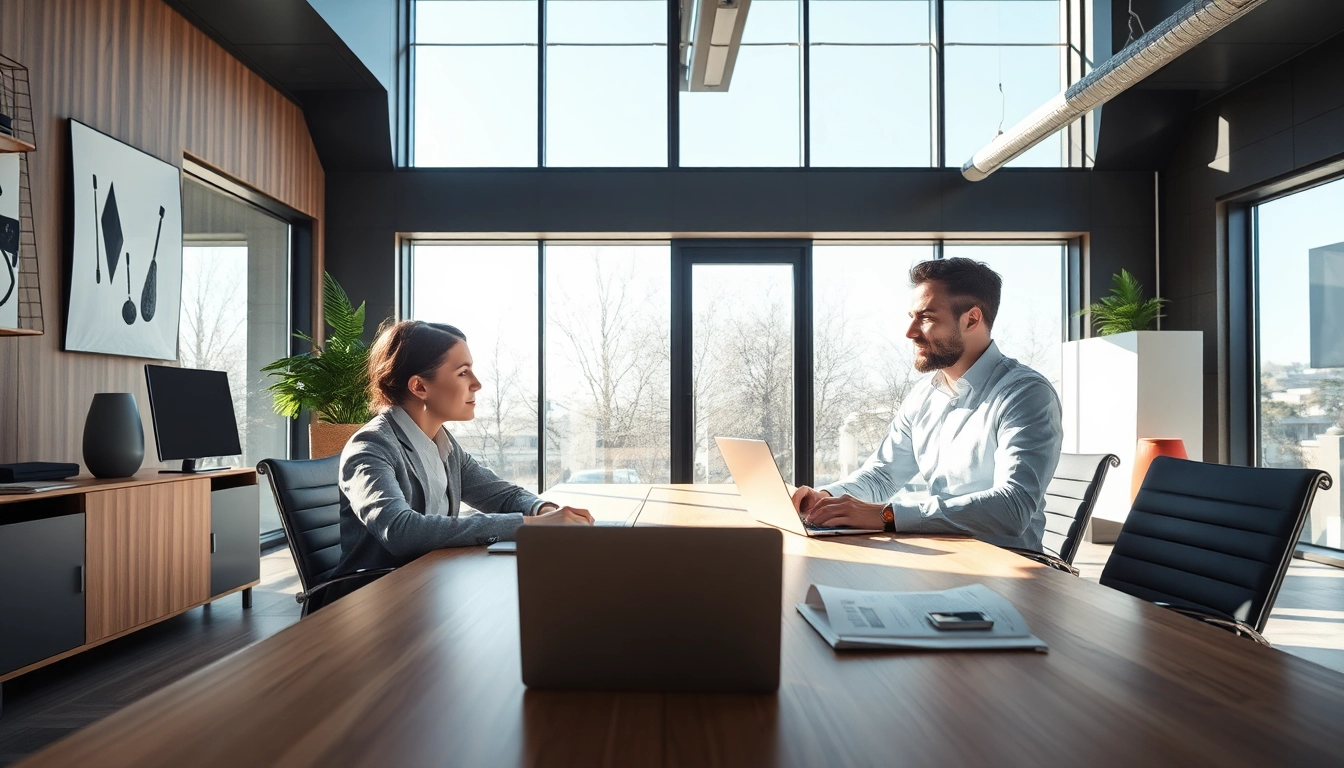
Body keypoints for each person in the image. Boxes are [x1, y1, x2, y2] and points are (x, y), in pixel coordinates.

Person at [792, 258, 1063, 552]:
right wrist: (825, 498)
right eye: (912, 316)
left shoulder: (1025, 394)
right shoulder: (924, 396)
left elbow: (1013, 507)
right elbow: (883, 475)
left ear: (972, 319)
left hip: (1011, 569)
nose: (910, 332)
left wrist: (888, 516)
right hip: (942, 556)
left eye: (927, 318)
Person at [334, 320, 592, 579]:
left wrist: (543, 511)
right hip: (375, 596)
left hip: (430, 581)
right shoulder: (370, 447)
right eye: (463, 372)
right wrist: (531, 526)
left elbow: (502, 497)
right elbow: (401, 531)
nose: (477, 383)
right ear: (420, 387)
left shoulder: (444, 444)